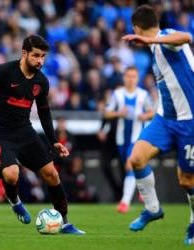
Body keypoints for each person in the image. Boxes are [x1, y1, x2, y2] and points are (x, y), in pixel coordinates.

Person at [0, 34, 85, 235]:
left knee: (52, 174)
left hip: (24, 131)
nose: (40, 61)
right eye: (36, 55)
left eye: (43, 56)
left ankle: (64, 223)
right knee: (12, 174)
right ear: (24, 53)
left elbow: (45, 112)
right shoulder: (2, 72)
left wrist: (53, 141)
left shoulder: (42, 82)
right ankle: (14, 200)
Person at [122, 5, 194, 244]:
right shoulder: (156, 46)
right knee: (137, 158)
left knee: (186, 180)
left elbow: (187, 37)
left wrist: (148, 38)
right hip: (165, 119)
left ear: (137, 28)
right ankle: (153, 209)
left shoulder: (165, 38)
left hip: (189, 121)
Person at [104, 66, 154, 213]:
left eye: (133, 76)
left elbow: (152, 112)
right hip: (121, 139)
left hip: (137, 138)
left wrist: (144, 116)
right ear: (124, 77)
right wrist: (119, 113)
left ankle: (124, 203)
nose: (131, 79)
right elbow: (106, 113)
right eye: (128, 76)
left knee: (129, 165)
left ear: (137, 78)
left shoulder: (143, 95)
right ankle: (142, 188)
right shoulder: (117, 94)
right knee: (132, 167)